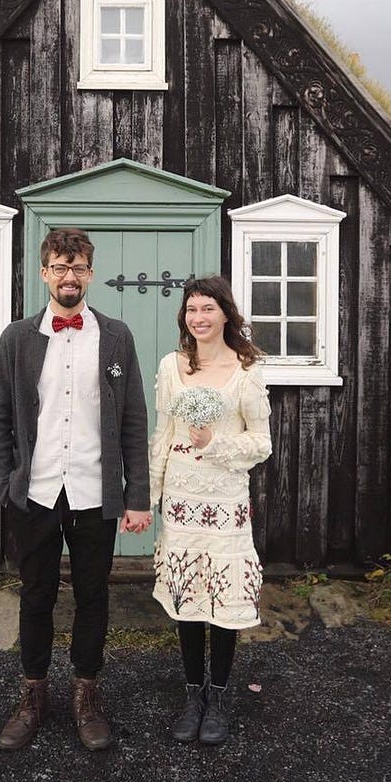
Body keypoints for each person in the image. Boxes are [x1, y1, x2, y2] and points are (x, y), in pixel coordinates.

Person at [0, 227, 152, 752]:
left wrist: (137, 494)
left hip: (94, 492)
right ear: (44, 273)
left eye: (78, 267)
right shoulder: (17, 338)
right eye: (59, 266)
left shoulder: (118, 336)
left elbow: (133, 421)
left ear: (90, 274)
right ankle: (33, 695)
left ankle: (87, 695)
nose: (69, 276)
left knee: (93, 595)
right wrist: (3, 483)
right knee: (35, 595)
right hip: (33, 493)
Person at [148, 275, 272, 745]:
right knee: (187, 602)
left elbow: (262, 443)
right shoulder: (171, 365)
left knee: (222, 602)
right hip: (182, 502)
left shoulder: (248, 370)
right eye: (191, 309)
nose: (198, 318)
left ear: (225, 313)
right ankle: (192, 693)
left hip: (223, 503)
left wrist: (214, 442)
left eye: (207, 309)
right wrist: (150, 495)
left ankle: (218, 697)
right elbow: (162, 435)